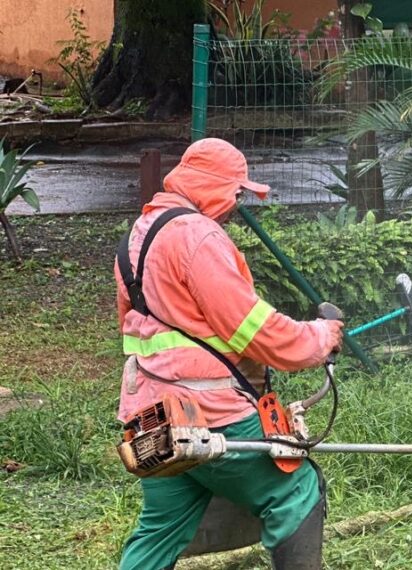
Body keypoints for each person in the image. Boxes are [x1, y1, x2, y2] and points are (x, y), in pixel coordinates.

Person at [114, 138, 343, 570]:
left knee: (159, 529)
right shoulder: (198, 236)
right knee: (295, 489)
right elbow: (250, 328)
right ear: (210, 184)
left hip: (153, 413)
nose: (236, 204)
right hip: (208, 410)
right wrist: (318, 338)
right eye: (235, 192)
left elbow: (132, 320)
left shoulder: (139, 234)